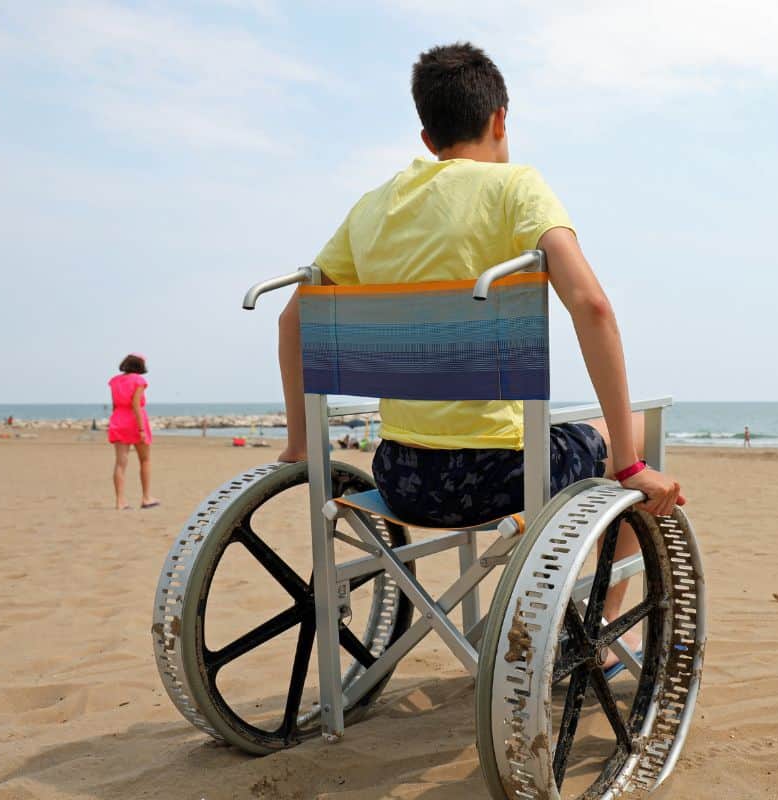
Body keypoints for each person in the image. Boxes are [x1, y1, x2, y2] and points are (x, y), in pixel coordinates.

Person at [276, 43, 683, 670]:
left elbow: (291, 318)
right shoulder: (515, 188)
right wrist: (628, 466)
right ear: (500, 119)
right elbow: (593, 307)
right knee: (627, 430)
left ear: (426, 134)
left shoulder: (372, 207)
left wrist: (301, 451)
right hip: (500, 479)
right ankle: (597, 637)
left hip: (402, 477)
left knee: (578, 434)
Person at [108, 354, 159, 510]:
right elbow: (136, 405)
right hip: (135, 421)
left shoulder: (115, 381)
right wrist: (142, 429)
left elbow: (115, 405)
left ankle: (120, 501)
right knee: (144, 460)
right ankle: (146, 497)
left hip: (118, 419)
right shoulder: (139, 380)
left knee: (120, 463)